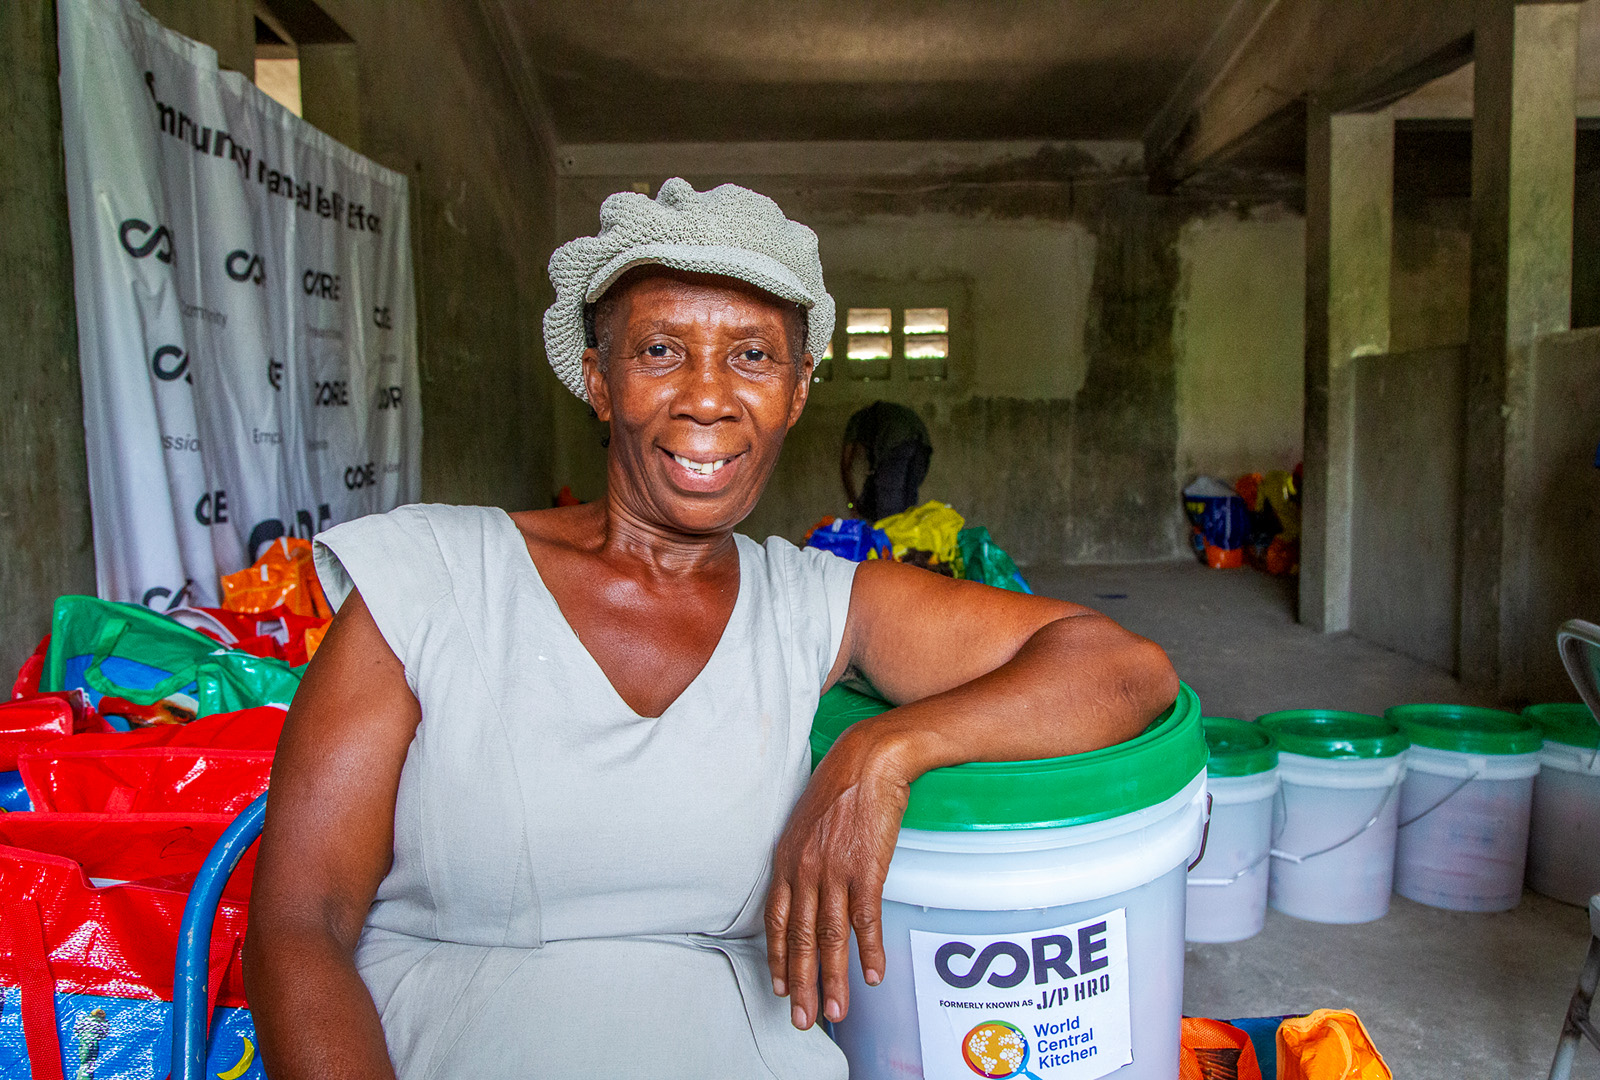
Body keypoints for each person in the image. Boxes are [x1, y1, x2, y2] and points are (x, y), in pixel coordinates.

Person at [243, 178, 1177, 1080]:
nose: (708, 397)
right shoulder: (433, 577)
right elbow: (298, 924)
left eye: (753, 356)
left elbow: (1122, 669)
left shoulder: (820, 603)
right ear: (598, 380)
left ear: (798, 392)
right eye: (659, 352)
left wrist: (886, 748)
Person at [841, 399, 932, 521]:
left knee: (889, 508)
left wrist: (852, 503)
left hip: (898, 441)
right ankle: (904, 536)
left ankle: (888, 538)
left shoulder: (856, 421)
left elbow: (845, 465)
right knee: (907, 505)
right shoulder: (881, 419)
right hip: (922, 442)